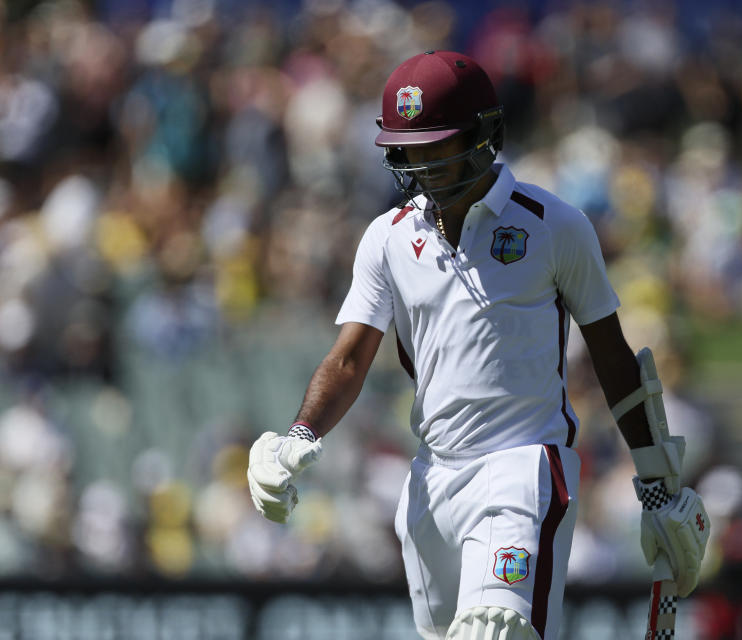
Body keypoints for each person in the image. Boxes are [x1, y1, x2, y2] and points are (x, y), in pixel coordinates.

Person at [247, 50, 710, 640]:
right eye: (410, 150)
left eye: (437, 146)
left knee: (494, 633)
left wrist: (655, 480)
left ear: (484, 133)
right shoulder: (387, 238)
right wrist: (299, 435)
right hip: (433, 477)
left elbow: (613, 356)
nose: (425, 165)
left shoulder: (553, 225)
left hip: (524, 470)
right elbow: (348, 357)